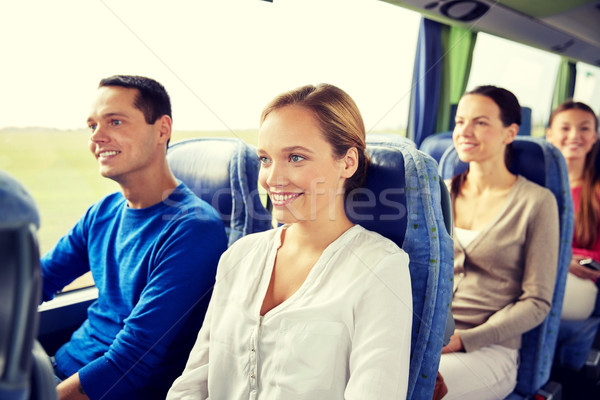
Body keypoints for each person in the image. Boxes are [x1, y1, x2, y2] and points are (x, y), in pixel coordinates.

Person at [167, 83, 413, 399]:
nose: (272, 178)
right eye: (265, 159)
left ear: (347, 163)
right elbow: (193, 384)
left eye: (295, 157)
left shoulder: (380, 268)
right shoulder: (239, 255)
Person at [40, 75, 228, 400]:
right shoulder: (102, 212)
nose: (97, 137)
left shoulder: (193, 229)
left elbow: (130, 363)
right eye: (92, 125)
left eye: (115, 121)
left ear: (162, 130)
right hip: (58, 367)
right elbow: (37, 280)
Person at [438, 85, 559, 399]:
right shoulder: (439, 192)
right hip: (427, 337)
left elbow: (536, 302)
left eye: (480, 122)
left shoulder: (537, 202)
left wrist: (465, 339)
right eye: (460, 121)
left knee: (410, 387)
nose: (465, 131)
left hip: (490, 351)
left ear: (509, 132)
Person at [546, 100, 600, 369]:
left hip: (581, 279)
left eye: (584, 128)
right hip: (540, 268)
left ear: (594, 138)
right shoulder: (533, 188)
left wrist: (566, 260)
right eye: (565, 127)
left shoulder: (596, 192)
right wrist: (560, 258)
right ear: (549, 135)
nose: (574, 136)